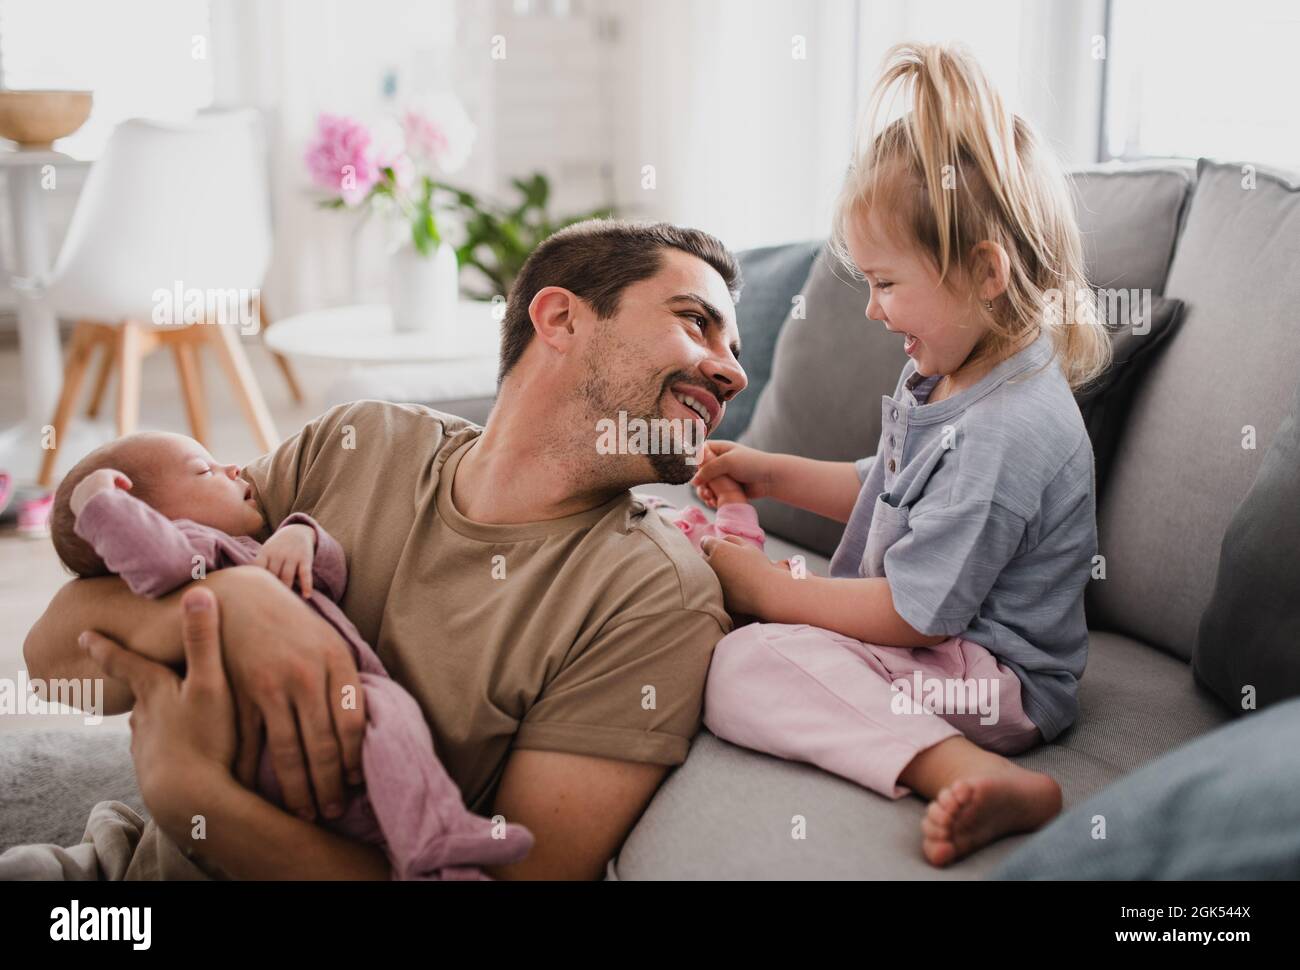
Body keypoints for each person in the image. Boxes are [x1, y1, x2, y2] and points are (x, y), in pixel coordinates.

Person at [21, 219, 747, 880]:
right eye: (696, 323)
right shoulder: (361, 441)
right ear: (559, 317)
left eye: (735, 350)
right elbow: (51, 662)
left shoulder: (654, 597)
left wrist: (196, 801)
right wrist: (230, 606)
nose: (733, 372)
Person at [691, 42, 1111, 866]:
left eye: (886, 283)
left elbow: (918, 615)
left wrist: (768, 589)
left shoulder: (1009, 429)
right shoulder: (951, 370)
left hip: (993, 682)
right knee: (751, 640)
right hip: (935, 641)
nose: (875, 312)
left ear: (985, 272)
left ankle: (970, 771)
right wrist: (768, 473)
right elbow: (887, 489)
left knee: (746, 666)